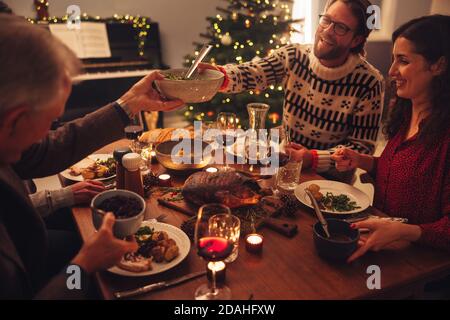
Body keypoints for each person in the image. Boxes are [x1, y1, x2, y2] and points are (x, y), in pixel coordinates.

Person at [0, 13, 184, 299]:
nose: (51, 132)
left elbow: (46, 151)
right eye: (51, 121)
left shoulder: (7, 140)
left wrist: (129, 104)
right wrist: (83, 267)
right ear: (14, 120)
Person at [201, 0, 384, 181]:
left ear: (357, 40)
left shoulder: (369, 82)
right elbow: (254, 72)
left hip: (330, 183)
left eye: (340, 28)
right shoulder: (294, 56)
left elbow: (361, 149)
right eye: (326, 20)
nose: (327, 31)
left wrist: (312, 158)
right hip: (285, 166)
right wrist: (219, 76)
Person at [331, 15, 450, 262]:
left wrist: (405, 231)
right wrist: (362, 161)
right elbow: (403, 171)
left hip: (421, 268)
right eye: (394, 59)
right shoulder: (406, 111)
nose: (392, 71)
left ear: (438, 66)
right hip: (382, 248)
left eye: (403, 61)